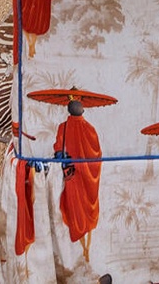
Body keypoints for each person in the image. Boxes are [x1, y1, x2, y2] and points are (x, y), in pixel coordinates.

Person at [55, 97, 103, 252]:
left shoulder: (63, 127)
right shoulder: (90, 128)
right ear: (82, 110)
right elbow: (98, 154)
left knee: (76, 215)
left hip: (72, 176)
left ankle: (84, 249)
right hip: (88, 179)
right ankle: (86, 248)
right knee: (87, 213)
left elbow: (58, 150)